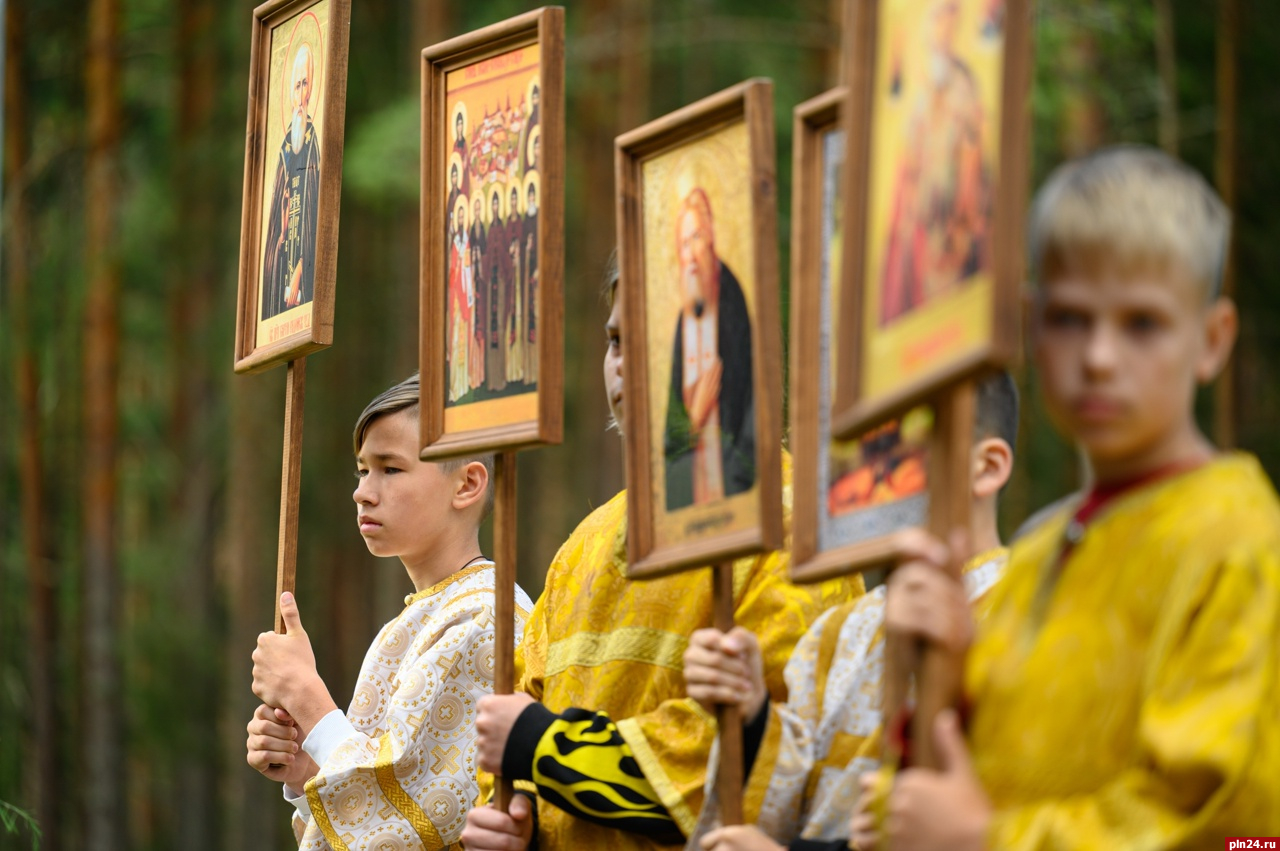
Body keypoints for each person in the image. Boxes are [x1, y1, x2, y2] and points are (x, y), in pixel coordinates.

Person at [878, 146, 1280, 848]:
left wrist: (986, 840)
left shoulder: (1242, 544)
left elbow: (1237, 829)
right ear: (1031, 325)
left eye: (1142, 324)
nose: (1097, 355)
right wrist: (942, 660)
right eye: (1069, 318)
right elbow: (963, 783)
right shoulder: (1037, 549)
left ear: (1211, 341)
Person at [459, 260, 861, 851]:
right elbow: (514, 723)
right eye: (617, 340)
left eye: (657, 339)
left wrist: (544, 748)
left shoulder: (794, 530)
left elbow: (756, 762)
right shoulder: (584, 545)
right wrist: (508, 820)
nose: (625, 362)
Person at [678, 372, 1019, 851]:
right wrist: (752, 713)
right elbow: (793, 791)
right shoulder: (839, 628)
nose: (867, 464)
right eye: (863, 437)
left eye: (901, 438)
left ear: (985, 467)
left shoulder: (1029, 609)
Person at [246, 373, 534, 848]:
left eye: (390, 469)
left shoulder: (486, 620)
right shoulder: (412, 622)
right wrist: (306, 770)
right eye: (362, 471)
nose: (363, 492)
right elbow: (375, 804)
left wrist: (308, 699)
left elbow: (414, 822)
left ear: (466, 484)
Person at [879, 0, 990, 325]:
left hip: (950, 223)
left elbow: (973, 154)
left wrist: (964, 217)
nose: (944, 27)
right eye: (939, 18)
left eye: (951, 18)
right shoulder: (919, 83)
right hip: (917, 222)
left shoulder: (964, 84)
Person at [664, 187, 756, 510]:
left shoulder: (733, 305)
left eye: (697, 238)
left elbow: (747, 410)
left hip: (732, 482)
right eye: (683, 244)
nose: (689, 254)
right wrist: (692, 419)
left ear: (713, 239)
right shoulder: (682, 321)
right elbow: (669, 434)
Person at [262, 43, 321, 320]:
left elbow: (313, 214)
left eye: (305, 84)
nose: (300, 95)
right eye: (296, 86)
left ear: (311, 90)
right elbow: (275, 219)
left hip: (301, 265)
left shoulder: (311, 142)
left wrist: (300, 269)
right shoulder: (284, 146)